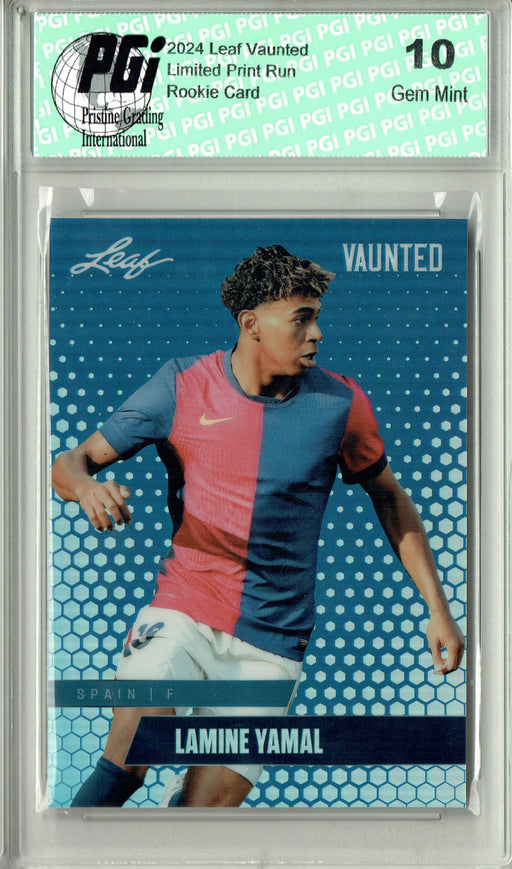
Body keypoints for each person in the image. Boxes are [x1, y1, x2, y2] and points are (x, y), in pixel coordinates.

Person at [51, 244, 465, 808]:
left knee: (200, 824)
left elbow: (389, 498)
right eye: (301, 318)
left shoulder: (341, 403)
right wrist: (86, 488)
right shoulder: (181, 385)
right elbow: (70, 463)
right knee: (132, 751)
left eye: (317, 317)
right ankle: (63, 848)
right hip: (185, 611)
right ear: (250, 324)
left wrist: (438, 609)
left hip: (272, 646)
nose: (317, 333)